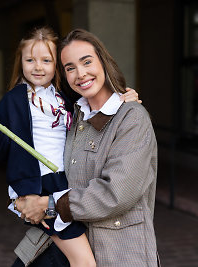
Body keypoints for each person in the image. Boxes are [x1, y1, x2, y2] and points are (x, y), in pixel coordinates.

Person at [0, 27, 140, 267]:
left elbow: (96, 111)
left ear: (56, 65)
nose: (38, 67)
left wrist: (123, 99)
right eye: (30, 60)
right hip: (42, 186)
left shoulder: (64, 97)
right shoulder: (15, 100)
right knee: (84, 262)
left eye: (46, 60)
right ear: (21, 62)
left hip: (68, 183)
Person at [15, 28, 159, 267]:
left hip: (120, 254)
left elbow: (116, 194)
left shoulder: (132, 118)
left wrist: (49, 204)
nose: (80, 74)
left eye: (86, 62)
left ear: (103, 62)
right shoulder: (73, 117)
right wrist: (21, 198)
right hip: (72, 248)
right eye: (70, 67)